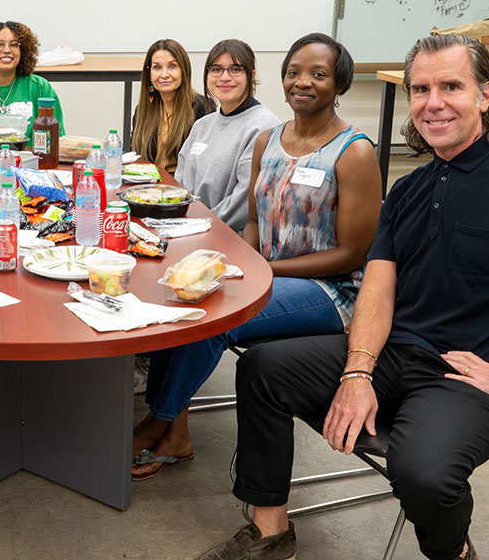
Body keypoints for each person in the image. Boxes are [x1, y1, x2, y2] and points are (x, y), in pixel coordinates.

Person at [186, 33, 489, 560]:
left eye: (451, 87)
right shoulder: (414, 187)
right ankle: (270, 530)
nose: (433, 103)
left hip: (471, 378)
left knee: (420, 469)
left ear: (485, 95)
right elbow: (378, 289)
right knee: (263, 368)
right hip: (395, 355)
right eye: (422, 89)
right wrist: (358, 370)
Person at [131, 33, 382, 480]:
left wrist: (259, 271)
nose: (302, 82)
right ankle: (168, 422)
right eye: (293, 73)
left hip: (331, 292)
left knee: (213, 316)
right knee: (181, 296)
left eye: (318, 75)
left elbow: (351, 255)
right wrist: (222, 267)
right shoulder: (269, 141)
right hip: (268, 273)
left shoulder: (355, 151)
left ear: (339, 83)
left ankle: (162, 424)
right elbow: (251, 221)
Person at [175, 38, 280, 230]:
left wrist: (197, 227)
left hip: (229, 238)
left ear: (252, 75)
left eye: (235, 69)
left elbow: (244, 203)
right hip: (188, 228)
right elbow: (180, 183)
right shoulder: (202, 125)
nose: (224, 77)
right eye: (216, 69)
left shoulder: (263, 126)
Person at [131, 38, 215, 175]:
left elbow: (204, 163)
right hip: (146, 187)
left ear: (184, 70)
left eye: (172, 66)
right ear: (149, 74)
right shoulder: (143, 109)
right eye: (157, 67)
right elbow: (135, 156)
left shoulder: (203, 107)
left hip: (183, 189)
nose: (164, 75)